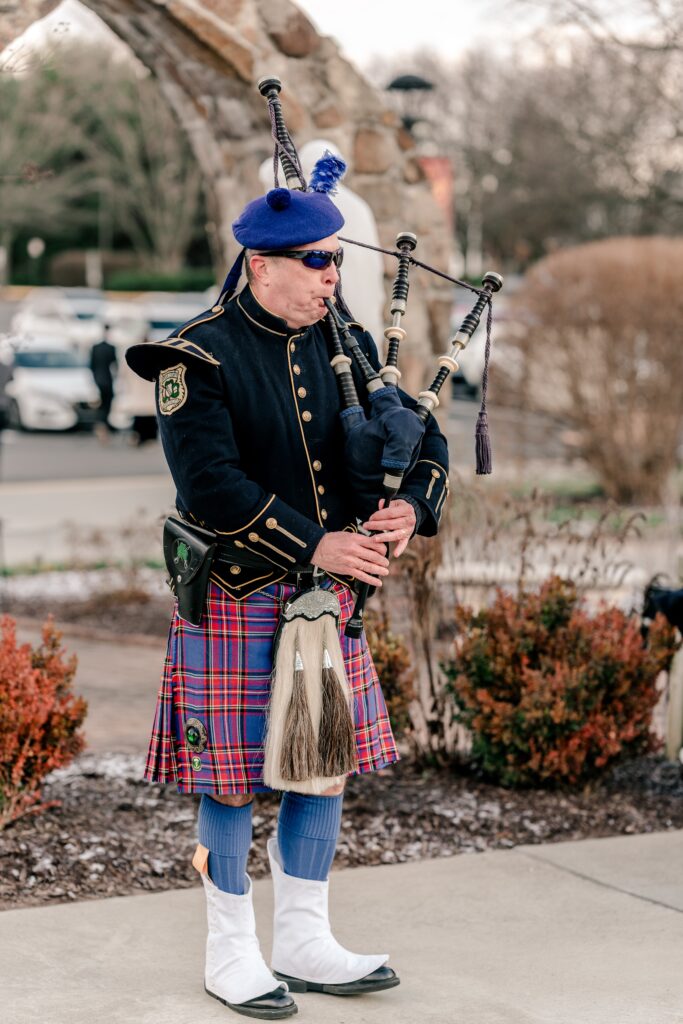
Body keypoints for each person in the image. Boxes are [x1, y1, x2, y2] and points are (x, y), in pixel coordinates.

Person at [126, 171, 449, 1019]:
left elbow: (422, 436)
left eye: (335, 259)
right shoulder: (193, 356)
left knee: (322, 767)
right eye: (313, 261)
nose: (330, 277)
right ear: (260, 264)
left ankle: (304, 937)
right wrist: (317, 542)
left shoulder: (344, 341)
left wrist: (409, 505)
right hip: (237, 593)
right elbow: (210, 484)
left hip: (328, 599)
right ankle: (228, 951)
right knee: (229, 781)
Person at [89, 325, 118, 437]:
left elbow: (91, 365)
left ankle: (101, 424)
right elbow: (115, 365)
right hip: (107, 379)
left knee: (101, 404)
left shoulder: (95, 347)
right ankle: (103, 424)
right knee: (107, 403)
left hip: (98, 379)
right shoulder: (111, 348)